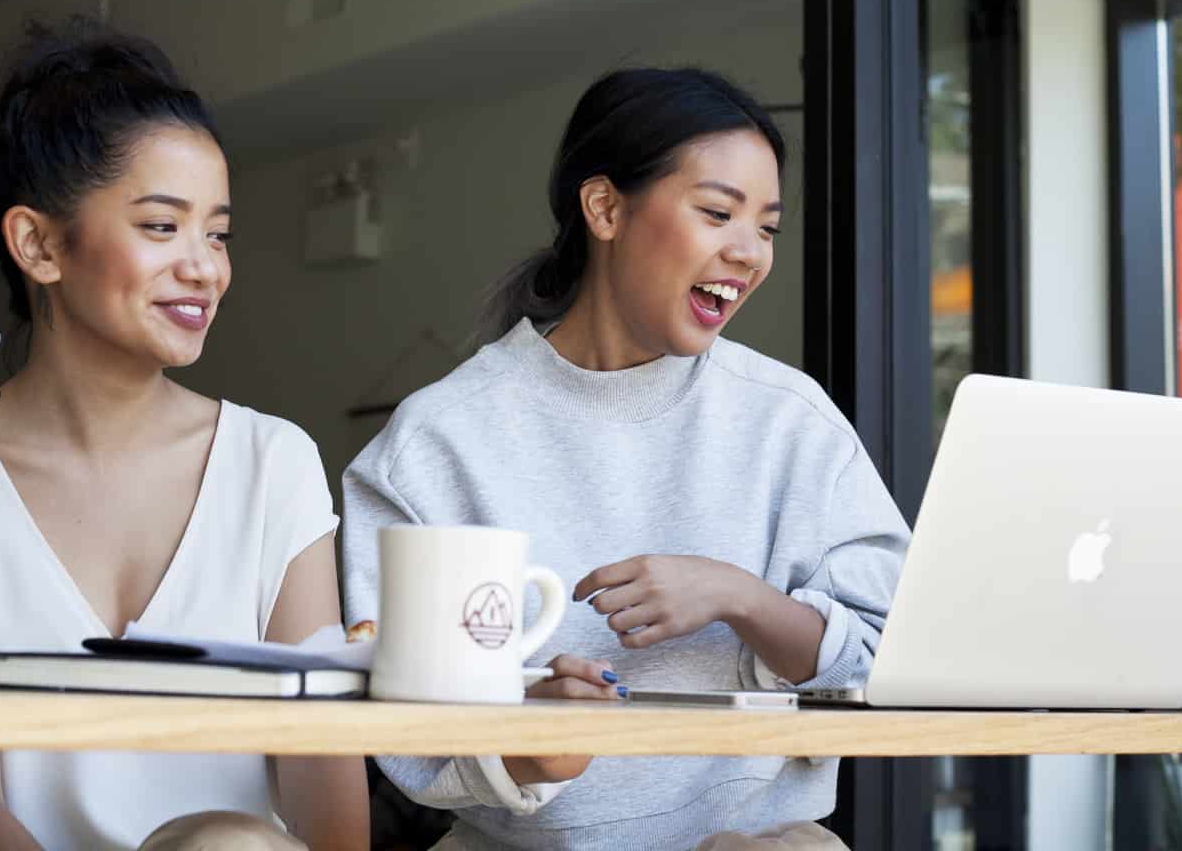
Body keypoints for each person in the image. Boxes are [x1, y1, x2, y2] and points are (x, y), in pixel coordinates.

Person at [341, 67, 910, 851]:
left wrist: (739, 597)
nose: (749, 252)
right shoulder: (435, 442)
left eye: (769, 227)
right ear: (605, 207)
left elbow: (891, 657)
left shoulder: (791, 421)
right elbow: (401, 725)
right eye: (717, 212)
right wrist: (529, 743)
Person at [0, 19, 368, 851]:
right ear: (38, 244)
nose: (205, 266)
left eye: (217, 232)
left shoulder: (273, 464)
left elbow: (323, 782)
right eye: (162, 227)